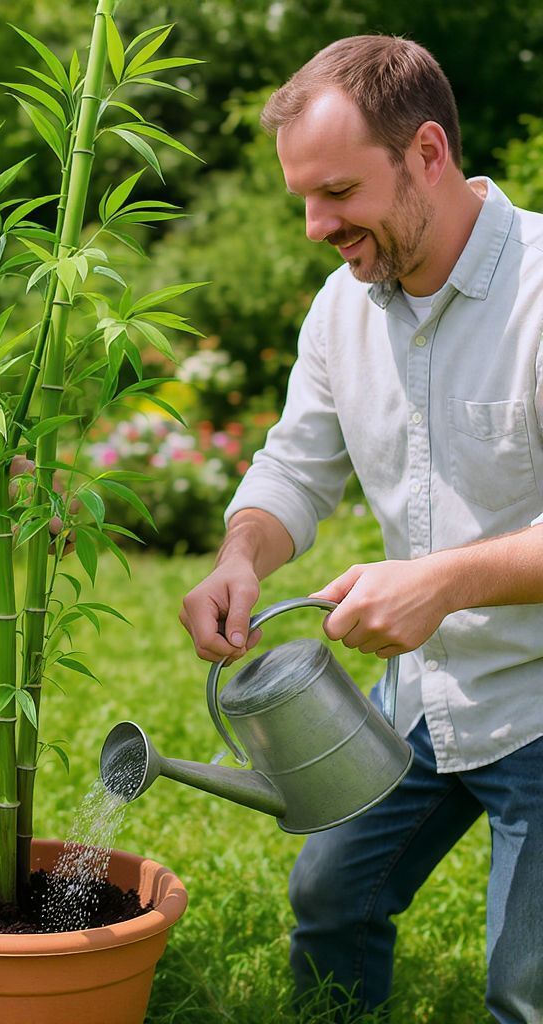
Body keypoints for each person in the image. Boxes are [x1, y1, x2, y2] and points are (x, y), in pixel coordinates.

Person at [179, 35, 543, 1024]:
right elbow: (295, 464)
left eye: (336, 191)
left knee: (526, 985)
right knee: (329, 894)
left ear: (426, 152)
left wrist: (439, 582)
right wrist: (238, 554)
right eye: (304, 195)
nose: (312, 225)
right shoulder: (343, 308)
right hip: (425, 697)